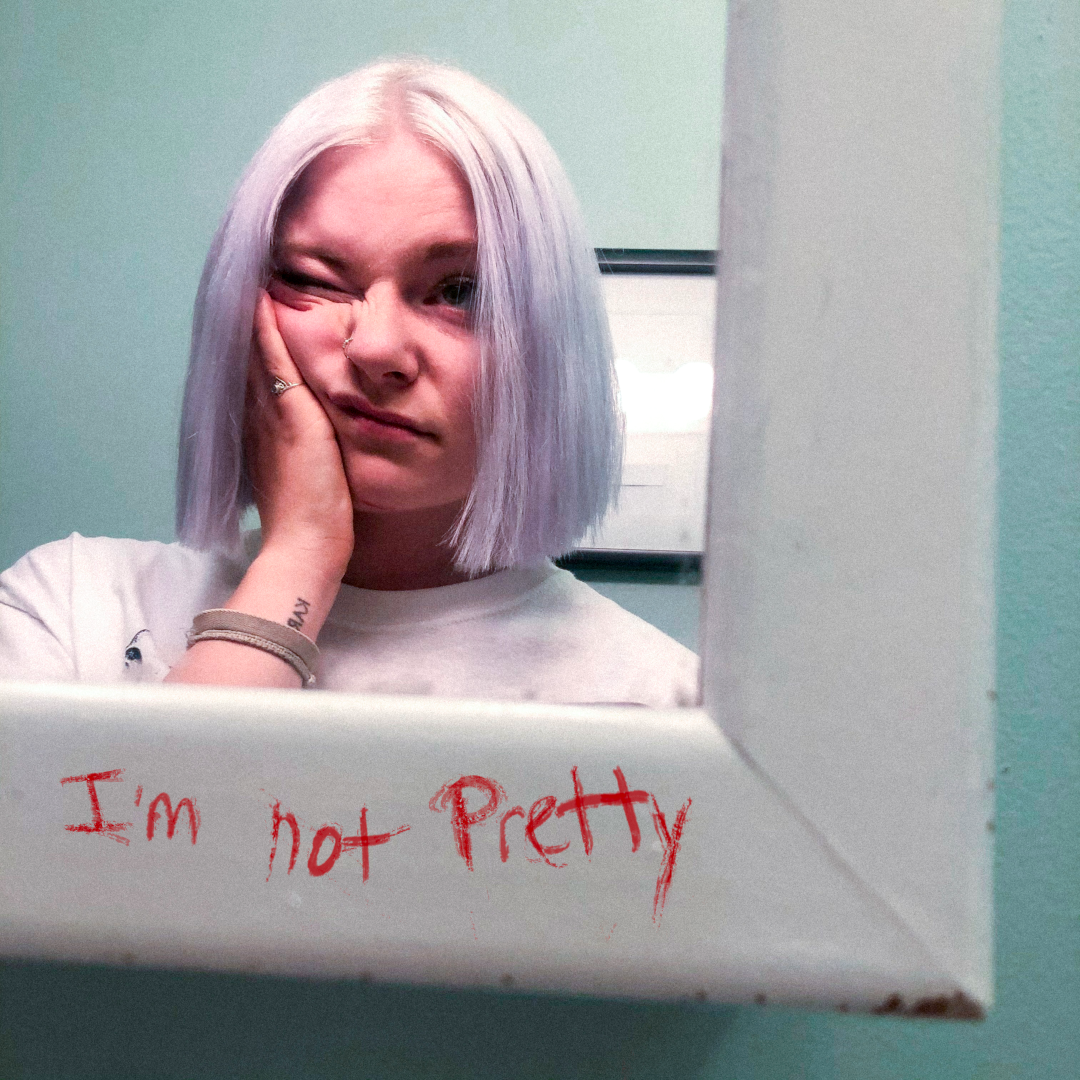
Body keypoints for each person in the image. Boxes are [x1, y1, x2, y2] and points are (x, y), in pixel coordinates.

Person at [0, 59, 698, 707]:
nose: (376, 347)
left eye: (460, 292)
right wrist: (298, 560)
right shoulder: (69, 611)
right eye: (314, 279)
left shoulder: (663, 701)